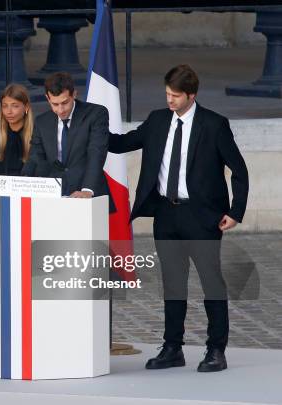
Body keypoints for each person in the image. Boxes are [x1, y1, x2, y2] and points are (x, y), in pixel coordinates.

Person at [108, 64, 249, 372]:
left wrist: (235, 212)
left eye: (175, 96)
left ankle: (216, 350)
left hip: (202, 217)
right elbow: (123, 143)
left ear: (191, 95)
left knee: (211, 282)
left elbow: (239, 170)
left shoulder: (214, 124)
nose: (169, 100)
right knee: (172, 283)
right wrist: (88, 126)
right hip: (166, 213)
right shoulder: (158, 120)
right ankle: (173, 347)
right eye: (167, 94)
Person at [22, 72, 114, 211]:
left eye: (65, 102)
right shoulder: (42, 122)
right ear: (47, 98)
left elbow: (96, 152)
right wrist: (21, 183)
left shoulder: (96, 114)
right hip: (52, 198)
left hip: (88, 194)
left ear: (74, 95)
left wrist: (88, 189)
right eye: (55, 104)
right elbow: (35, 157)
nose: (60, 109)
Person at [0, 83, 33, 192]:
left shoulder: (36, 140)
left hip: (29, 203)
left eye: (15, 106)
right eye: (5, 106)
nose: (9, 111)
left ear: (26, 107)